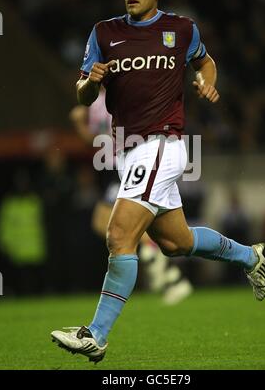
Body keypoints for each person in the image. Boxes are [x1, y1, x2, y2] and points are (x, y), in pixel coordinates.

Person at [51, 0, 265, 363]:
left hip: (161, 144)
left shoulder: (181, 29)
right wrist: (91, 82)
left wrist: (207, 83)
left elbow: (206, 61)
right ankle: (251, 255)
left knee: (119, 235)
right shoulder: (104, 33)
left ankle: (96, 335)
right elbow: (82, 95)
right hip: (124, 150)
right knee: (176, 242)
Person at [69, 98, 193, 303]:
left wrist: (79, 122)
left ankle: (164, 266)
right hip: (117, 166)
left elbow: (103, 137)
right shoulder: (102, 99)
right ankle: (164, 268)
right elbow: (97, 140)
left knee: (106, 224)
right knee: (113, 224)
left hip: (124, 165)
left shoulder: (108, 97)